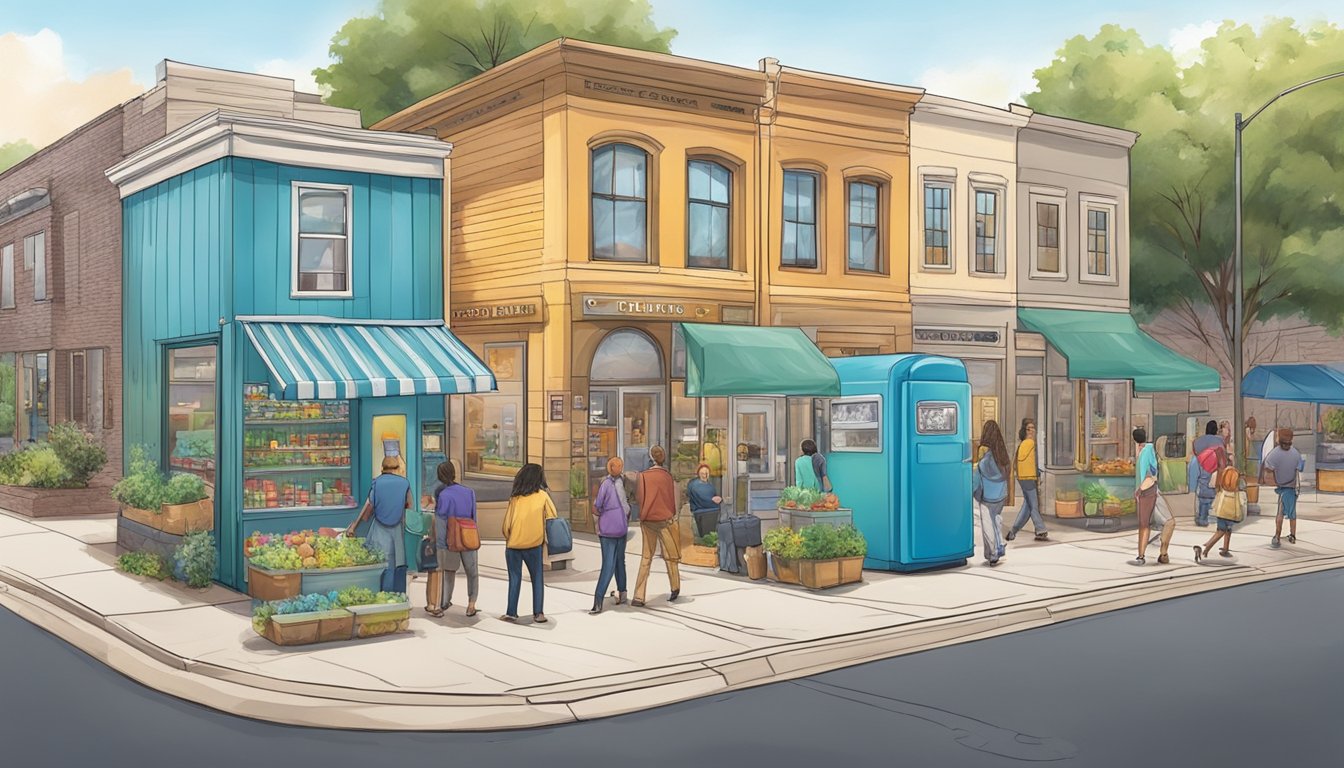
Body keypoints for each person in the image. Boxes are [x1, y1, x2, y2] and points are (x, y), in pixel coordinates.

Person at [500, 463, 557, 623]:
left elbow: (506, 526)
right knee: (537, 578)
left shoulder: (515, 498)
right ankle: (538, 613)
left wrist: (510, 537)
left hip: (513, 546)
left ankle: (511, 612)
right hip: (534, 545)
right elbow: (552, 517)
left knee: (514, 577)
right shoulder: (543, 496)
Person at [347, 456, 412, 593]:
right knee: (398, 562)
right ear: (397, 469)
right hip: (397, 530)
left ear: (382, 468)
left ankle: (381, 593)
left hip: (379, 528)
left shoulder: (376, 483)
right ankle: (398, 595)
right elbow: (409, 506)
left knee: (380, 560)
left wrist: (354, 526)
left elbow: (368, 507)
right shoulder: (405, 483)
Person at [429, 459, 479, 618]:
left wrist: (439, 545)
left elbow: (441, 522)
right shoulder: (469, 492)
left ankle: (445, 601)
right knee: (472, 571)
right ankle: (471, 604)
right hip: (468, 534)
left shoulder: (443, 495)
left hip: (452, 538)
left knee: (449, 570)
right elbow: (474, 517)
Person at [632, 445, 681, 606]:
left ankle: (639, 596)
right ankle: (675, 587)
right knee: (670, 556)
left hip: (648, 520)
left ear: (651, 458)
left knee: (646, 557)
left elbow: (639, 498)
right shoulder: (667, 476)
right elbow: (672, 500)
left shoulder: (643, 476)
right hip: (665, 520)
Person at [590, 457, 630, 614]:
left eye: (620, 465)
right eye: (617, 466)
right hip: (619, 527)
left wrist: (605, 516)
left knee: (611, 563)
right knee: (616, 562)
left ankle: (601, 600)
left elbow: (597, 506)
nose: (619, 468)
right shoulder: (615, 483)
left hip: (611, 529)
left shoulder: (608, 484)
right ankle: (618, 594)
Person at [1131, 428, 1174, 565]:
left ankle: (1141, 556)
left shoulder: (1142, 452)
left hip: (1144, 492)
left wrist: (1138, 490)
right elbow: (1153, 472)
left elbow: (1146, 474)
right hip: (1152, 490)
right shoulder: (1149, 450)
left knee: (1144, 525)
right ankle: (1163, 553)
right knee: (1169, 522)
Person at [973, 420, 1010, 567]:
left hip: (988, 496)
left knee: (987, 525)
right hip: (1001, 494)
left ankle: (993, 553)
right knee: (996, 520)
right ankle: (999, 545)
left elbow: (980, 471)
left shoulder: (985, 454)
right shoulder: (1002, 453)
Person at [1006, 419, 1048, 542]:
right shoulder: (1030, 443)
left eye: (1033, 428)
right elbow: (1033, 462)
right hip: (1029, 478)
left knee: (1027, 507)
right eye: (1029, 428)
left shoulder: (1022, 444)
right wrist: (1037, 474)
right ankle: (1040, 529)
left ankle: (1013, 531)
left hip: (1023, 478)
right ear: (1024, 431)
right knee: (1033, 505)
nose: (1032, 430)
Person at [1263, 428, 1303, 549]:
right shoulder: (1296, 453)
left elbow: (1267, 466)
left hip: (1283, 487)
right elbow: (1300, 467)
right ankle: (1293, 535)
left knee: (1280, 513)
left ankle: (1277, 535)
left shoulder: (1275, 453)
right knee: (1292, 513)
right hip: (1292, 487)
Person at [1188, 420, 1225, 527]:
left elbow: (1194, 452)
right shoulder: (1220, 440)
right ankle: (1210, 515)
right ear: (1216, 430)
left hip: (1202, 464)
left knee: (1203, 489)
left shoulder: (1198, 441)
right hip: (1216, 467)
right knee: (1214, 489)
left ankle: (1202, 517)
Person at [686, 463, 722, 539]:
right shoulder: (695, 485)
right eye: (702, 473)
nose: (705, 475)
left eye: (706, 473)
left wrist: (717, 499)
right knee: (704, 537)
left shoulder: (709, 485)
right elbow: (702, 499)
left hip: (710, 513)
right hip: (703, 514)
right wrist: (714, 501)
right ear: (699, 473)